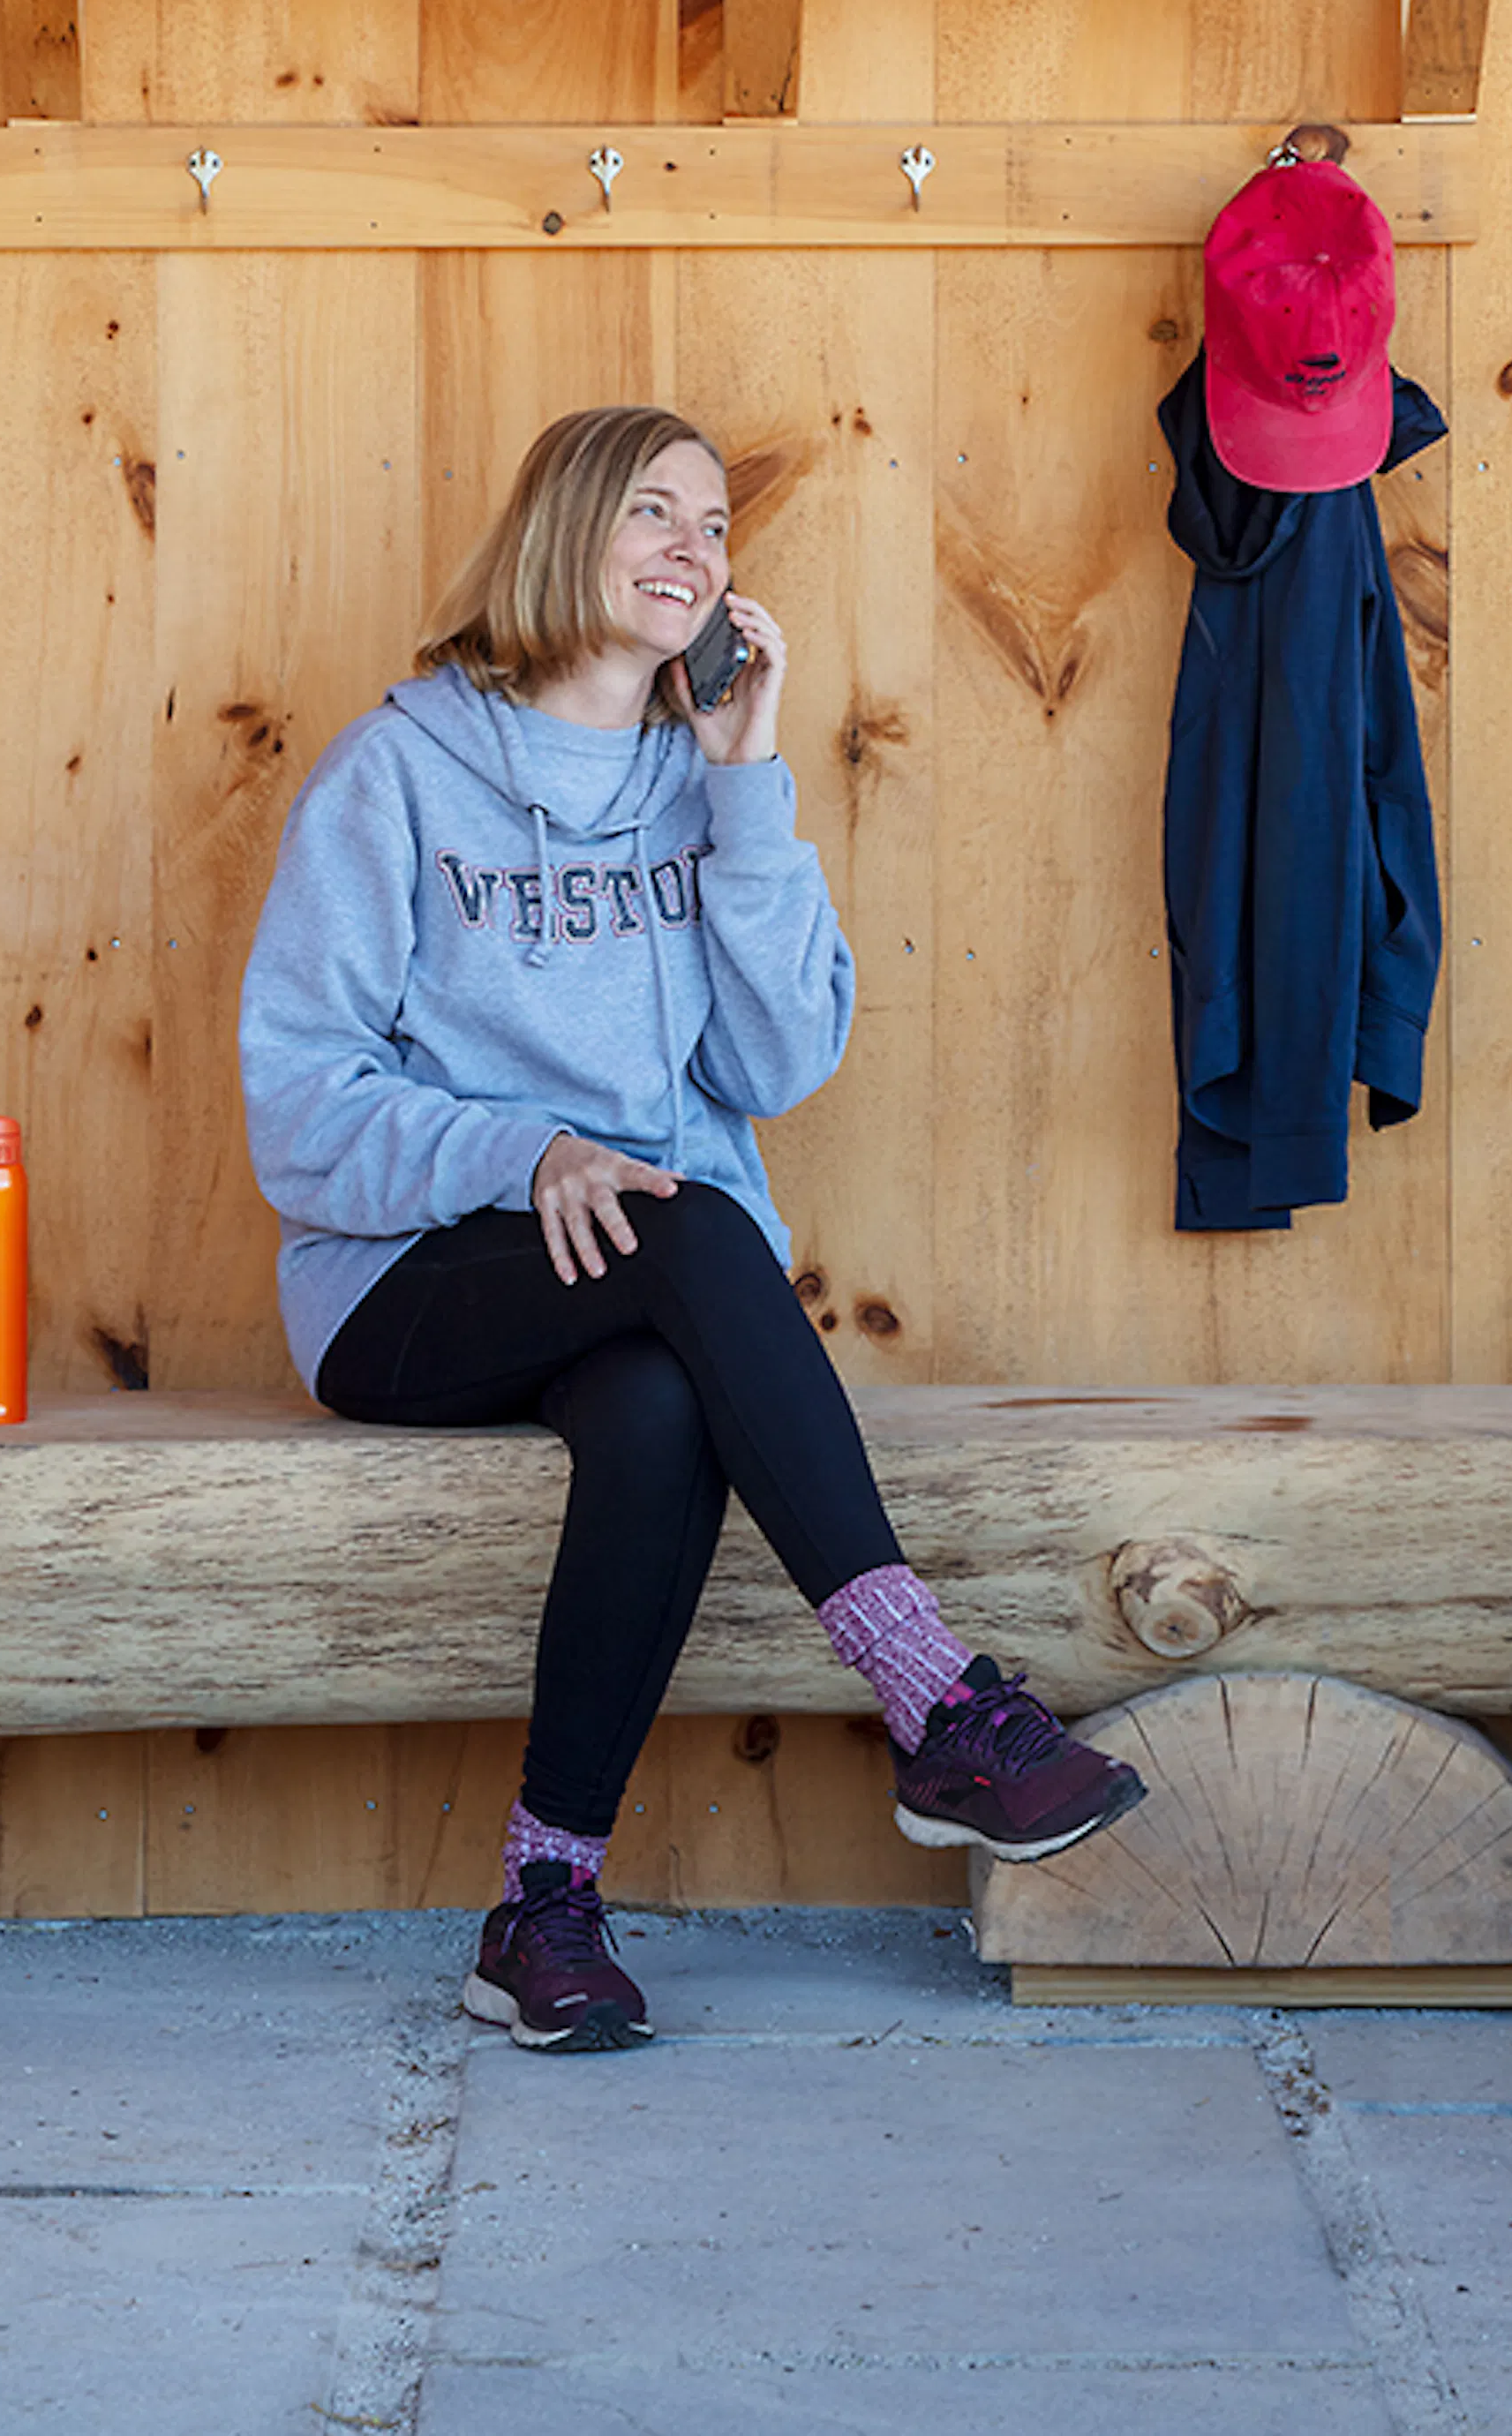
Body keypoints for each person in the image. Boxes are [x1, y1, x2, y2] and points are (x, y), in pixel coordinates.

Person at [240, 400, 1143, 2053]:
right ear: (559, 533)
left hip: (641, 1295)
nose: (692, 549)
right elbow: (298, 1110)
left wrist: (746, 796)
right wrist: (529, 1156)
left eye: (715, 527)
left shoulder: (698, 783)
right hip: (410, 1285)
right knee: (702, 1221)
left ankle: (542, 1905)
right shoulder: (397, 775)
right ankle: (937, 1701)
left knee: (660, 1406)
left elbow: (779, 1061)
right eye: (652, 511)